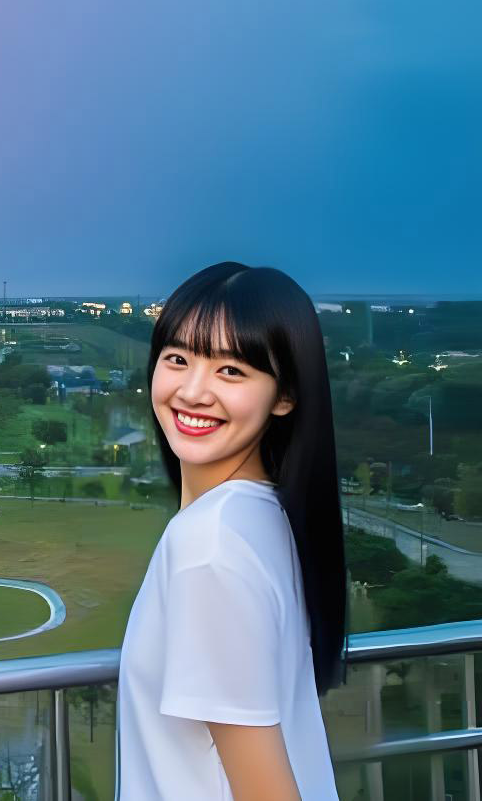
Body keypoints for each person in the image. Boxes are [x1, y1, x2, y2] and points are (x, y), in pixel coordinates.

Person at [116, 263, 344, 800]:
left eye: (232, 371)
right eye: (178, 359)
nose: (193, 392)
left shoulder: (208, 544)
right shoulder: (264, 516)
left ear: (284, 396)